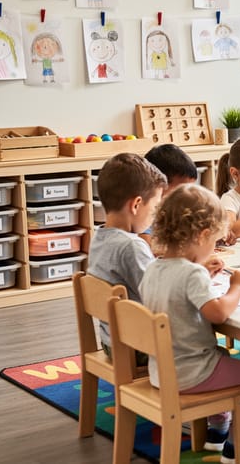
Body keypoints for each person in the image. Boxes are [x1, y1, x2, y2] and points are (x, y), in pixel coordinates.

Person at [140, 184, 240, 462]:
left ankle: (217, 433)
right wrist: (237, 287)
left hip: (161, 372)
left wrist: (201, 273)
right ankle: (239, 447)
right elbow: (219, 314)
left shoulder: (153, 268)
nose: (214, 247)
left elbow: (175, 298)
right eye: (214, 241)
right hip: (190, 373)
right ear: (201, 236)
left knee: (221, 356)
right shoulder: (191, 276)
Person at [87, 153, 166, 358]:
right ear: (136, 204)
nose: (155, 214)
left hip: (110, 341)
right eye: (155, 207)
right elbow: (161, 297)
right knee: (208, 348)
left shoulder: (100, 237)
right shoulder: (131, 246)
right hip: (136, 347)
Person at [139, 143, 199, 247]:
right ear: (157, 186)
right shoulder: (147, 212)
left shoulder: (180, 209)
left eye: (190, 189)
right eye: (180, 190)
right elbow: (148, 244)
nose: (187, 196)